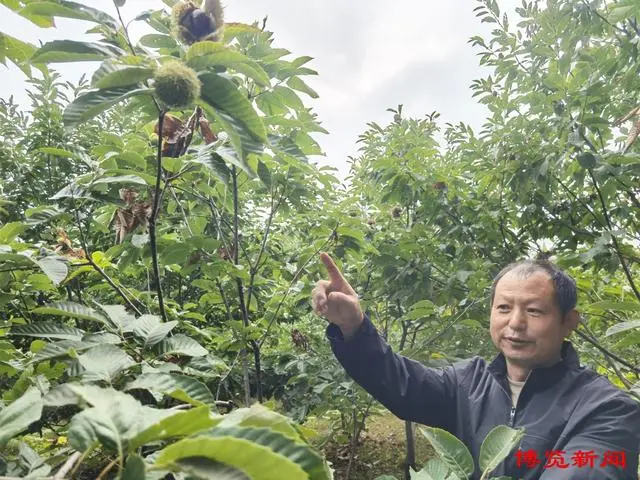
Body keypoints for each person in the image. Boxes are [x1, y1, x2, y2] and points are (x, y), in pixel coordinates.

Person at [312, 252, 640, 479]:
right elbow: (403, 385)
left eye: (535, 311)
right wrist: (354, 328)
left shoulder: (606, 409)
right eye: (503, 308)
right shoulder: (468, 382)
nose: (515, 323)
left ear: (569, 322)